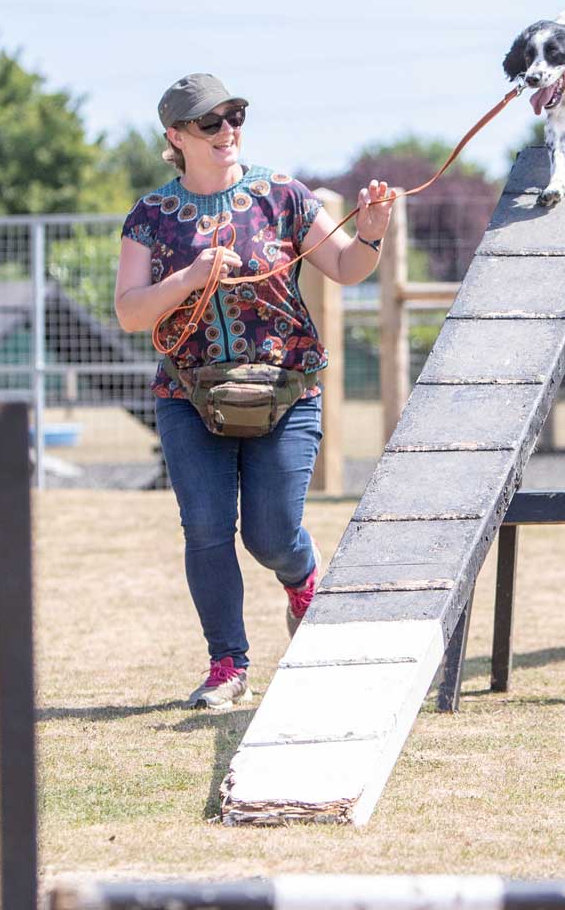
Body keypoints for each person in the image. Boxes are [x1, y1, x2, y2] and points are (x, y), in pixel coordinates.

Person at [115, 73, 392, 710]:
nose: (227, 130)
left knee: (270, 535)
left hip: (287, 391)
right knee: (207, 529)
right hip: (189, 397)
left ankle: (301, 580)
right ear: (175, 137)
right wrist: (189, 275)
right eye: (209, 122)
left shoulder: (283, 195)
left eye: (234, 115)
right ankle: (228, 666)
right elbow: (130, 312)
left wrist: (372, 230)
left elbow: (350, 268)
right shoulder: (150, 217)